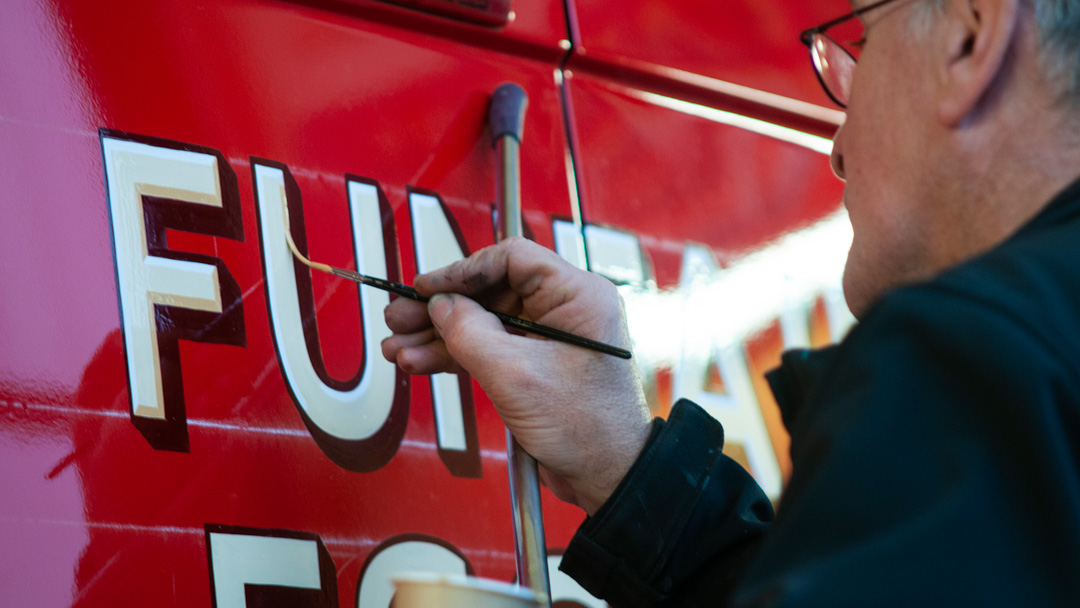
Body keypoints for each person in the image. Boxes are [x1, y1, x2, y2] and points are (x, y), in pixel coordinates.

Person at [382, 0, 1080, 604]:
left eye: (863, 42)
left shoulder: (966, 362)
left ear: (970, 35)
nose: (837, 149)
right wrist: (626, 466)